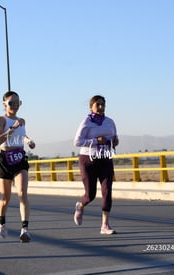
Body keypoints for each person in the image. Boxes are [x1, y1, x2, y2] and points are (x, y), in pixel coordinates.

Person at [0, 91, 36, 243]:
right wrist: (11, 129)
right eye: (11, 103)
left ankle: (25, 229)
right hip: (5, 159)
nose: (15, 106)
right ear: (4, 104)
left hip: (19, 158)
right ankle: (1, 221)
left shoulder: (22, 120)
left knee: (23, 193)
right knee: (6, 198)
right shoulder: (1, 119)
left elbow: (22, 135)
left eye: (18, 103)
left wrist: (29, 141)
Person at [73, 95, 119, 235]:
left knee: (107, 191)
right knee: (90, 194)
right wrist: (95, 141)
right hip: (88, 159)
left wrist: (115, 141)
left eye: (102, 104)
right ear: (91, 107)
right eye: (97, 104)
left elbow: (115, 139)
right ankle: (80, 205)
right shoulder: (86, 122)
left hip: (105, 158)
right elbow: (77, 142)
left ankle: (105, 225)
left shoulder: (110, 122)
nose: (100, 107)